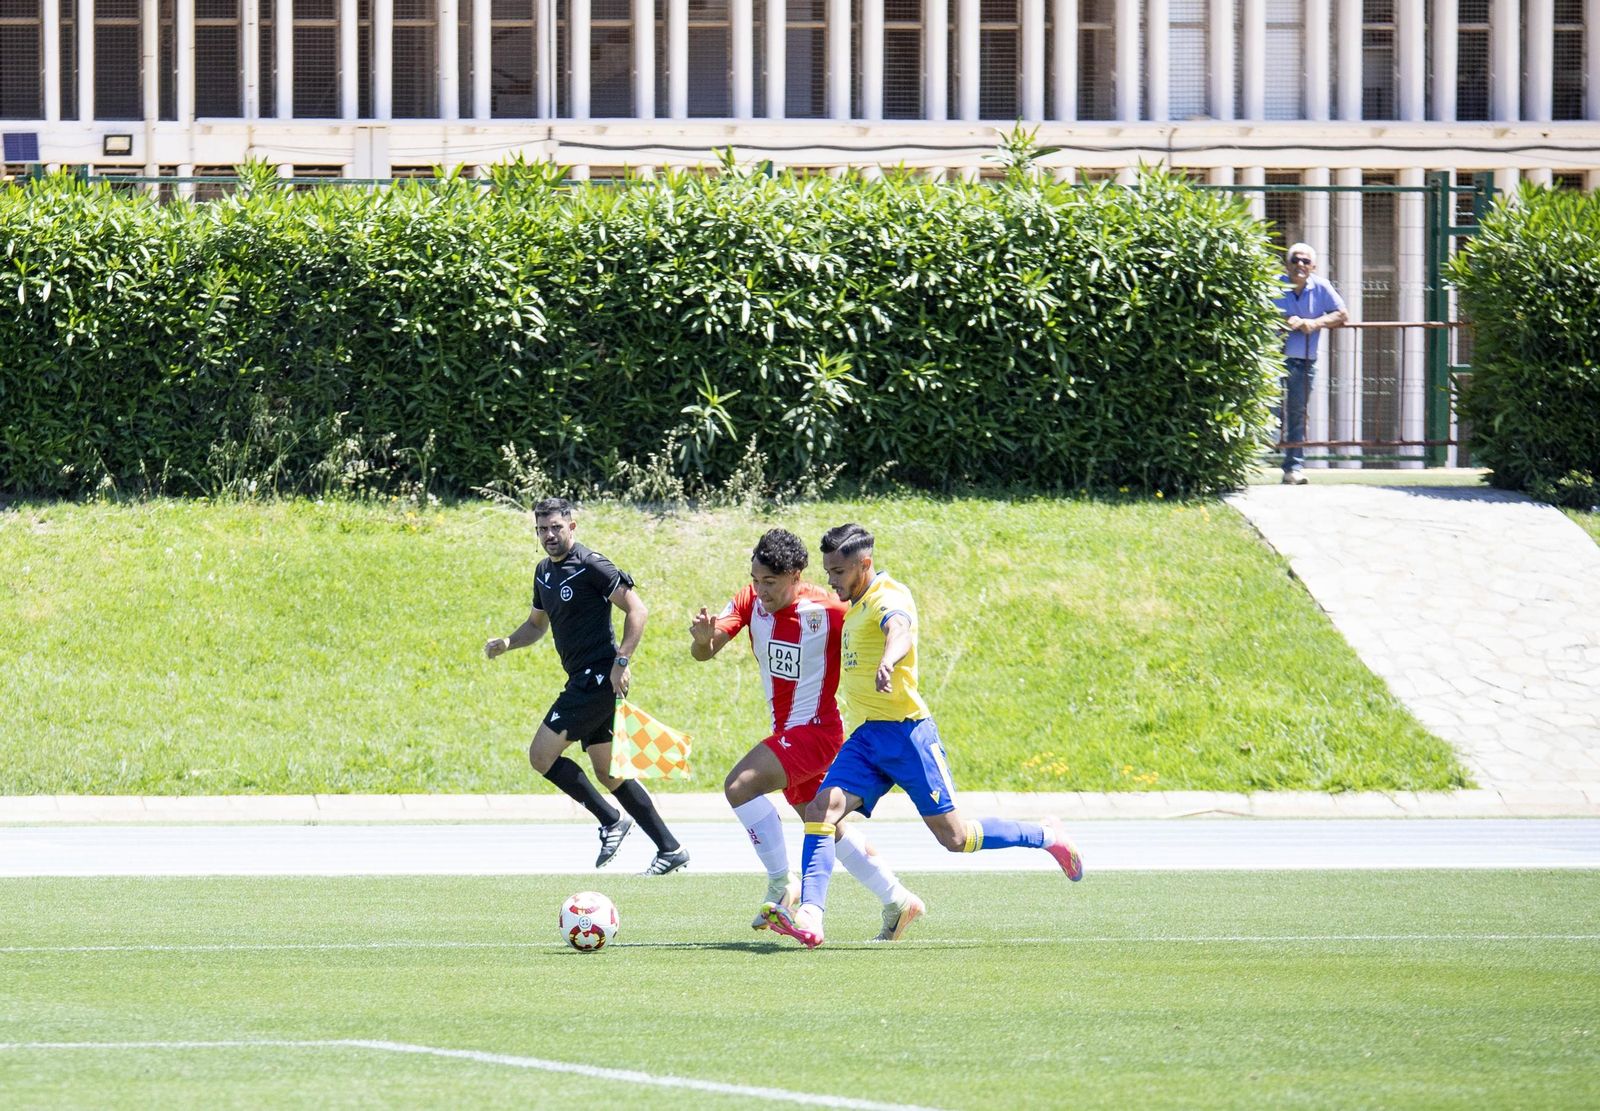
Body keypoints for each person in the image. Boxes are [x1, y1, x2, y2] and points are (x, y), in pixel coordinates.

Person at [761, 524, 1082, 950]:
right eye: (828, 571)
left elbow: (899, 628)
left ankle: (1046, 835)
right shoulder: (854, 606)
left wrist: (889, 660)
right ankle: (811, 916)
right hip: (867, 738)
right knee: (822, 809)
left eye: (839, 571)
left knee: (956, 839)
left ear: (864, 564)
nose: (832, 580)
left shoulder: (888, 595)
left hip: (909, 735)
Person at [690, 528, 925, 942]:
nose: (761, 590)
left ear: (796, 576)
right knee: (825, 823)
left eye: (771, 582)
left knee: (739, 785)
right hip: (786, 733)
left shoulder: (830, 609)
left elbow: (881, 622)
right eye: (756, 580)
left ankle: (783, 883)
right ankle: (899, 900)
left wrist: (889, 659)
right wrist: (703, 641)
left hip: (817, 732)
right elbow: (705, 652)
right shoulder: (749, 600)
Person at [484, 497, 689, 876]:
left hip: (596, 680)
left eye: (556, 527)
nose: (549, 535)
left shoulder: (591, 565)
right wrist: (508, 642)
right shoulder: (543, 572)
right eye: (542, 529)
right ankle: (670, 848)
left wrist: (622, 661)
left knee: (540, 756)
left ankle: (611, 820)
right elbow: (536, 625)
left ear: (572, 527)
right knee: (609, 773)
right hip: (581, 679)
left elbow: (638, 610)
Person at [1274, 242, 1348, 485]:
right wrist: (1286, 320)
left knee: (1297, 413)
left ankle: (1293, 468)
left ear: (1313, 266)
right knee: (1267, 409)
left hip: (1304, 361)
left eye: (1306, 261)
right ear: (1287, 264)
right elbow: (1261, 311)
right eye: (1295, 260)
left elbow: (1342, 314)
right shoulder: (1274, 284)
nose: (1300, 265)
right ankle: (1252, 461)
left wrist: (1314, 323)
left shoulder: (1321, 286)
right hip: (1272, 360)